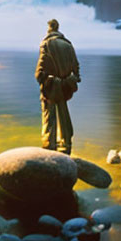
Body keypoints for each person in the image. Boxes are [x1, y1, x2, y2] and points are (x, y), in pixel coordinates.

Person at [35, 18, 81, 154]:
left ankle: (50, 145)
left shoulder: (46, 43)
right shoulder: (68, 44)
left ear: (49, 28)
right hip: (66, 85)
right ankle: (66, 143)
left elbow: (41, 67)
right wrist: (73, 79)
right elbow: (76, 66)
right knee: (64, 113)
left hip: (51, 86)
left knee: (49, 115)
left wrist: (40, 79)